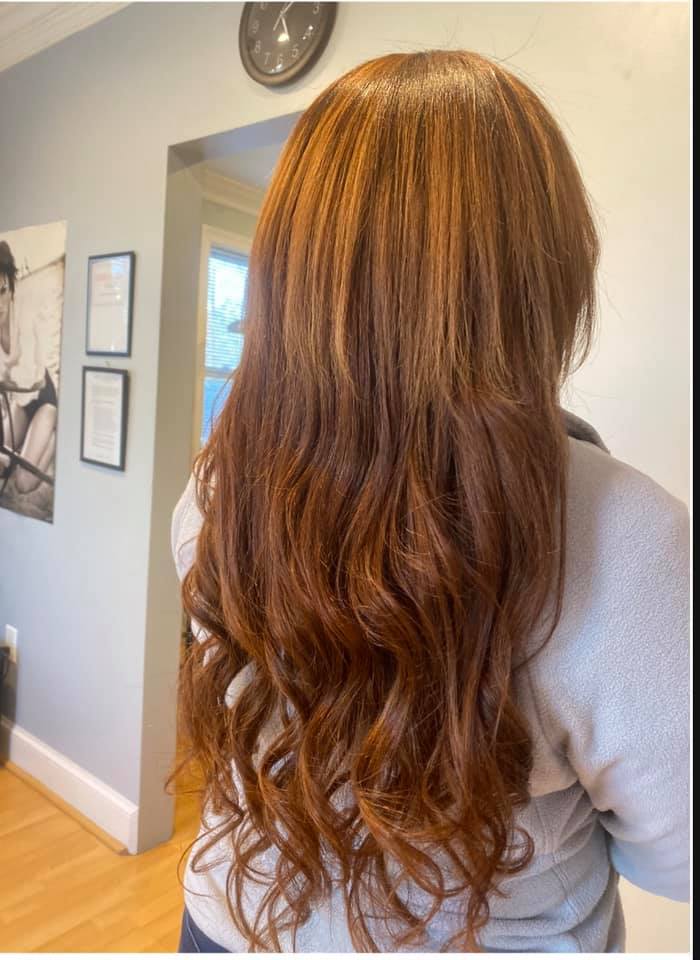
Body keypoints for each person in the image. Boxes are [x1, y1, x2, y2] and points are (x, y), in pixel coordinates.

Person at [169, 50, 689, 953]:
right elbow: (678, 856)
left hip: (226, 924)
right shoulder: (624, 535)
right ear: (542, 278)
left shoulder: (216, 481)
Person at [0, 239, 57, 494]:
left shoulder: (25, 314)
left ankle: (55, 437)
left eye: (1, 291)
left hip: (42, 399)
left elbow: (33, 380)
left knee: (23, 483)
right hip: (20, 402)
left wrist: (6, 379)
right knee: (3, 464)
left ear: (11, 287)